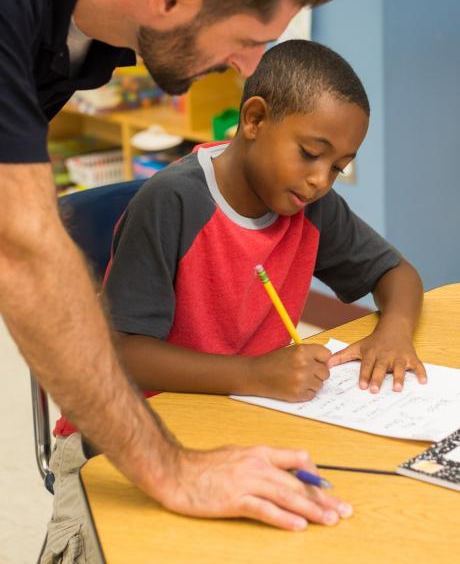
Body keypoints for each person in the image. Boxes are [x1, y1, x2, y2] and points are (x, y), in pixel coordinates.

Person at [0, 0, 355, 547]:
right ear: (174, 0)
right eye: (250, 42)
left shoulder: (100, 21)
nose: (249, 68)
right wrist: (172, 469)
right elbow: (23, 248)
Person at [48, 39, 427, 560]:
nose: (321, 180)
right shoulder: (173, 202)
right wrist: (254, 374)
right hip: (129, 432)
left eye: (338, 167)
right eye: (311, 154)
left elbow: (397, 273)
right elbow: (123, 354)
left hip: (240, 418)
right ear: (254, 119)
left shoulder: (308, 205)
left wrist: (394, 331)